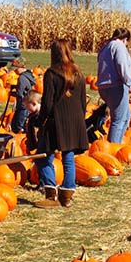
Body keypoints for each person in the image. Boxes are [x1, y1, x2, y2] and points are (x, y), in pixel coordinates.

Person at [34, 38, 89, 208]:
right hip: (75, 120)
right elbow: (82, 101)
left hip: (56, 121)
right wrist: (80, 118)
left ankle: (51, 194)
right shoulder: (78, 73)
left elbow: (48, 103)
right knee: (68, 158)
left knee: (43, 157)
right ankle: (66, 195)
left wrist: (40, 120)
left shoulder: (51, 74)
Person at [97, 27, 131, 143]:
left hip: (104, 86)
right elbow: (121, 65)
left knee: (126, 116)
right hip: (115, 86)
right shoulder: (119, 47)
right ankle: (113, 147)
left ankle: (117, 144)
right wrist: (130, 83)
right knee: (118, 120)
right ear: (125, 39)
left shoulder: (105, 47)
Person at [10, 57, 36, 133]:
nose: (14, 71)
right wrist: (16, 86)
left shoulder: (22, 78)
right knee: (21, 125)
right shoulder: (28, 76)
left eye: (16, 68)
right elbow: (25, 87)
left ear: (21, 67)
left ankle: (21, 140)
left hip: (23, 106)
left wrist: (12, 93)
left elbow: (19, 94)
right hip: (27, 106)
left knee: (19, 127)